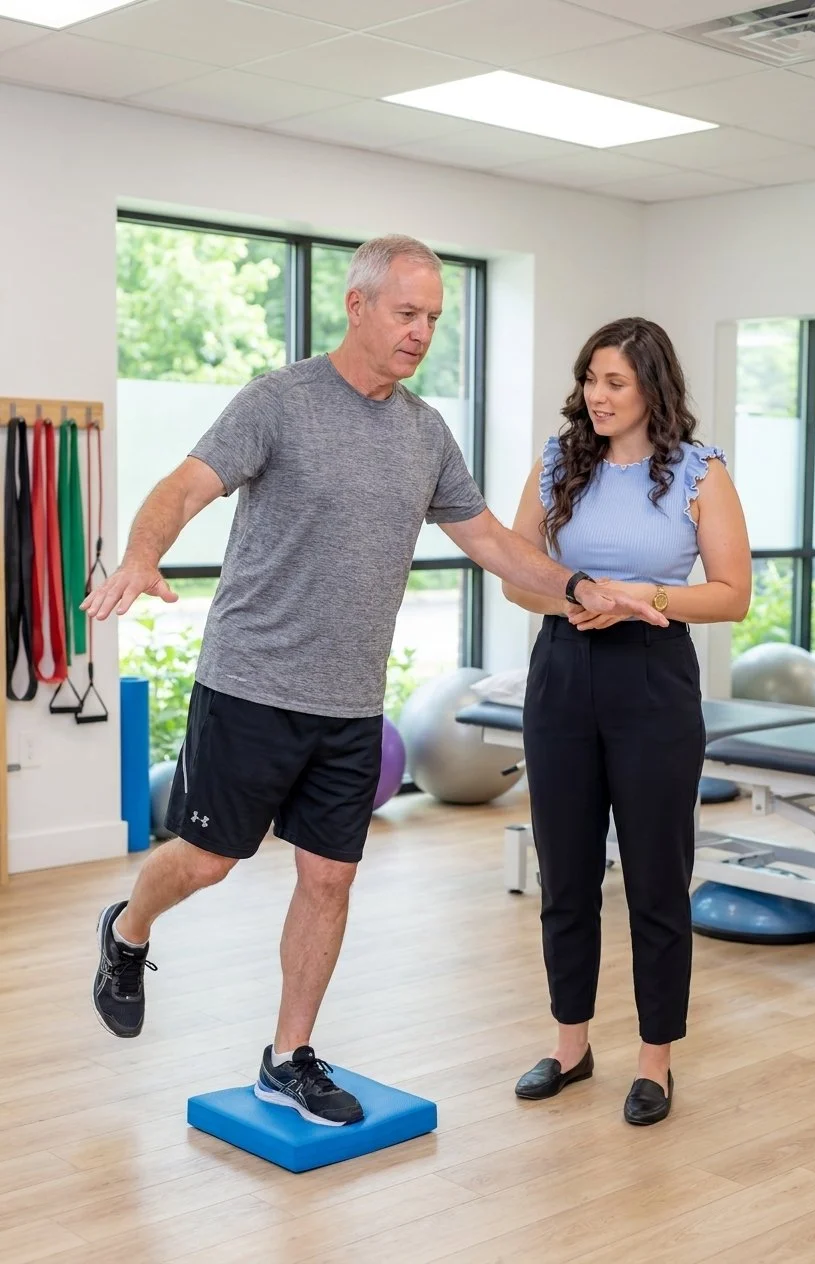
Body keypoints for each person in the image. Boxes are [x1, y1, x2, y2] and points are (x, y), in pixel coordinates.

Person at [85, 237, 666, 1128]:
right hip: (251, 684)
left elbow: (493, 545)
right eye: (407, 313)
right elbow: (183, 484)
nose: (422, 332)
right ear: (356, 308)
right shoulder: (278, 402)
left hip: (351, 704)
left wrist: (580, 587)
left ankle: (289, 1056)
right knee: (209, 861)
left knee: (328, 881)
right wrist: (140, 553)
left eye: (433, 317)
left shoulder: (425, 431)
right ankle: (127, 930)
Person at [503, 317, 751, 1126]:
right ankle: (569, 1046)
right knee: (565, 873)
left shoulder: (698, 472)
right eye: (589, 380)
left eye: (614, 381)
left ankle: (655, 1061)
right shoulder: (555, 462)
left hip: (653, 673)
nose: (596, 396)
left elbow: (730, 593)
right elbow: (516, 574)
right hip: (563, 670)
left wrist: (637, 599)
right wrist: (581, 598)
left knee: (653, 876)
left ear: (651, 387)